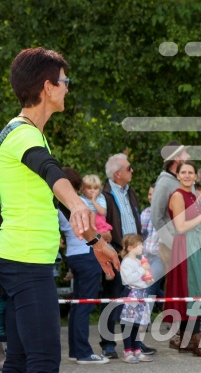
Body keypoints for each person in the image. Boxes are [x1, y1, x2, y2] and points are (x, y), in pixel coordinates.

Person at [0, 47, 119, 372]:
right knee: (44, 361)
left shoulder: (25, 132)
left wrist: (96, 243)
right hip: (26, 262)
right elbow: (51, 170)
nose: (68, 87)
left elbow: (48, 193)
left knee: (20, 361)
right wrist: (78, 202)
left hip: (19, 259)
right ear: (48, 87)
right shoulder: (23, 135)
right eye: (64, 80)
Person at [100, 153, 155, 358]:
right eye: (129, 168)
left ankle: (135, 344)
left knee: (137, 300)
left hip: (135, 253)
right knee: (113, 299)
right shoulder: (104, 195)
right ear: (118, 173)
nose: (132, 171)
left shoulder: (130, 191)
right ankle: (108, 343)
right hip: (115, 252)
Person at [164, 160, 201, 357]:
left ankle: (187, 339)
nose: (187, 175)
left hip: (197, 243)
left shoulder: (192, 194)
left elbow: (199, 224)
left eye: (190, 173)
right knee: (192, 289)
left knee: (197, 288)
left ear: (196, 177)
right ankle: (196, 340)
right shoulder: (178, 195)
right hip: (186, 245)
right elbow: (181, 226)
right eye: (183, 172)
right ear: (177, 175)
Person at [59, 167, 110, 365]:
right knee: (85, 305)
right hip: (86, 255)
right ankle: (83, 352)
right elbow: (89, 230)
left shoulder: (57, 204)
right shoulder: (74, 204)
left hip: (73, 255)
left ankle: (75, 350)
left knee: (78, 304)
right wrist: (103, 239)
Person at [151, 140, 191, 273]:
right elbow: (156, 218)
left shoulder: (186, 180)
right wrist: (173, 244)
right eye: (185, 153)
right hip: (172, 249)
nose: (188, 157)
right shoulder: (164, 183)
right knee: (176, 292)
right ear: (177, 158)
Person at [119, 234, 154, 364]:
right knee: (128, 323)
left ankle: (137, 349)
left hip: (141, 293)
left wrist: (148, 278)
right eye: (139, 245)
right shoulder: (127, 262)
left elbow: (142, 277)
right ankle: (128, 351)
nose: (142, 247)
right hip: (132, 294)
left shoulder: (138, 260)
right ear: (130, 248)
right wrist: (142, 270)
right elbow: (128, 279)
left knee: (137, 324)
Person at [141, 183, 164, 301]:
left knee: (149, 286)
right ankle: (174, 304)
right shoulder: (145, 213)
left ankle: (143, 319)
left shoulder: (167, 215)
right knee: (152, 288)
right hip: (146, 257)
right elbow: (141, 235)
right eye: (149, 194)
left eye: (154, 194)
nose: (151, 197)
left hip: (160, 258)